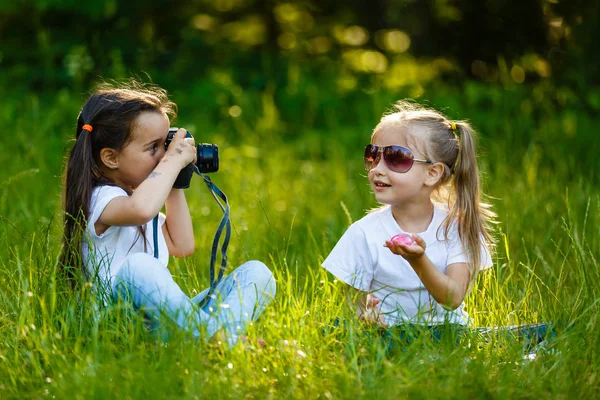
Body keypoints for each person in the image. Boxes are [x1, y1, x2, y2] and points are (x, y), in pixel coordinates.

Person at [60, 81, 276, 347]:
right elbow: (141, 209)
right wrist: (172, 161)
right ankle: (220, 341)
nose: (164, 155)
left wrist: (176, 181)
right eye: (154, 148)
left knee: (257, 274)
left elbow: (182, 245)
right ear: (111, 158)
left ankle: (212, 342)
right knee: (140, 267)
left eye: (166, 145)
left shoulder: (138, 200)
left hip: (162, 324)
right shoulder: (101, 199)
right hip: (117, 326)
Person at [322, 100, 496, 331]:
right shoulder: (364, 233)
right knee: (331, 329)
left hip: (449, 335)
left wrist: (418, 260)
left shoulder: (455, 226)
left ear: (432, 173)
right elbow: (353, 305)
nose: (377, 169)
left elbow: (453, 298)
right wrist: (367, 319)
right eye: (373, 155)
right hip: (390, 335)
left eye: (396, 158)